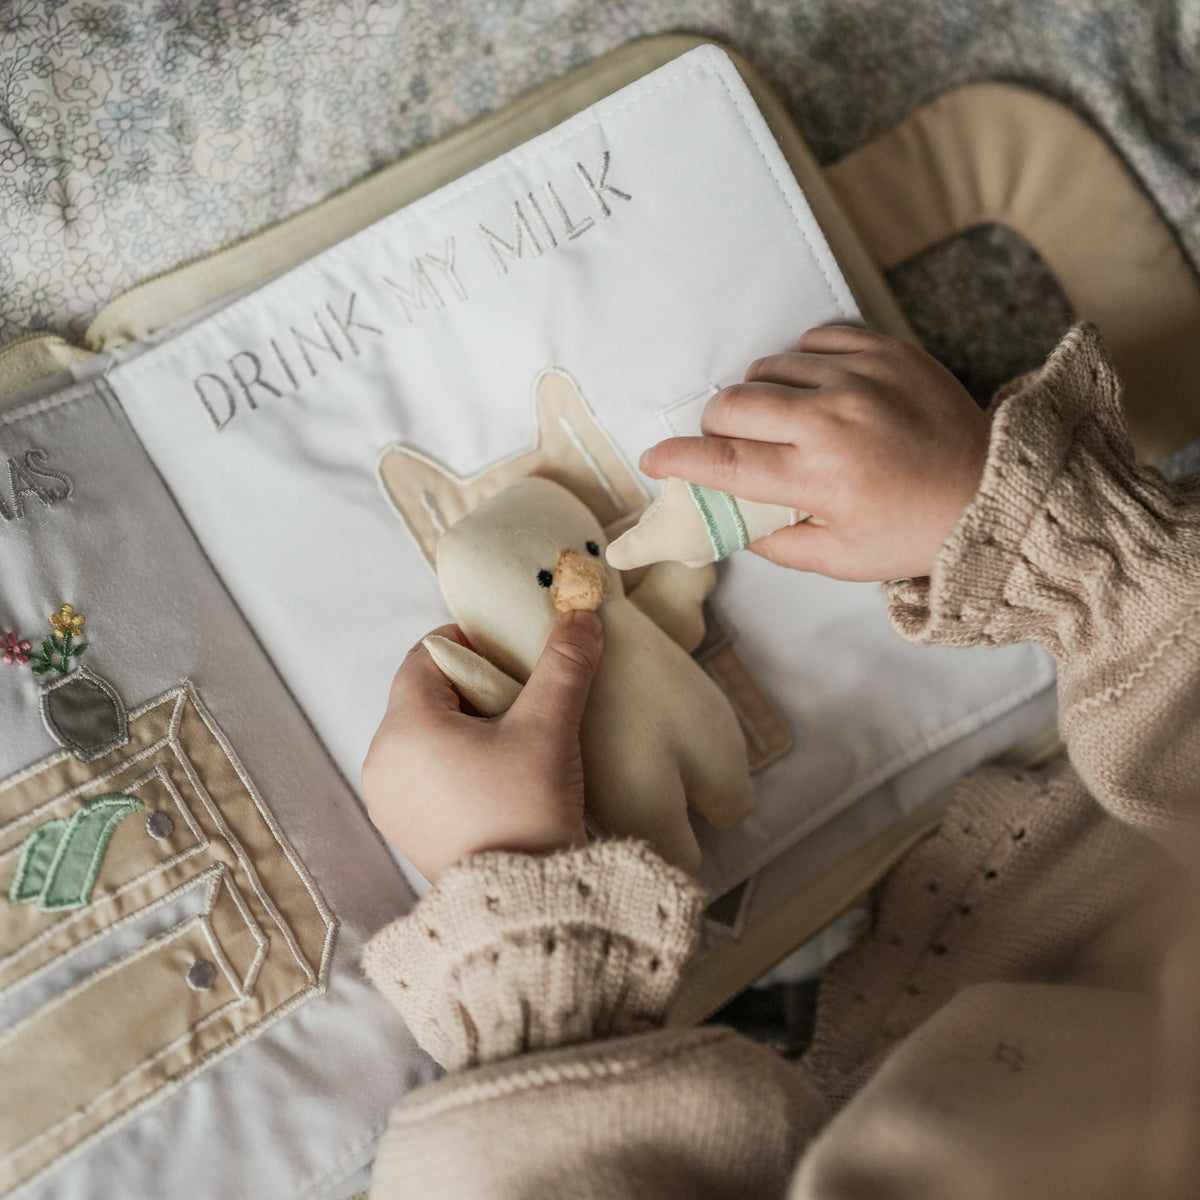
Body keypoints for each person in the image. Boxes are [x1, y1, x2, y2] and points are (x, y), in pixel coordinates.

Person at [360, 323, 1200, 1198]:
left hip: (814, 1008)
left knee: (712, 781)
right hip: (1097, 878)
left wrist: (514, 907)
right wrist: (1044, 539)